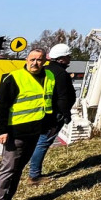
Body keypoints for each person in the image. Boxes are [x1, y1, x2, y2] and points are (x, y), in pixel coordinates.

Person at [0, 48, 55, 200]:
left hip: (34, 133)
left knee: (17, 170)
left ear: (44, 62)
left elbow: (46, 102)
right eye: (32, 59)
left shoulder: (48, 77)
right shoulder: (14, 78)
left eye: (39, 60)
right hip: (15, 133)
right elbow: (1, 105)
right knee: (7, 170)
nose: (35, 63)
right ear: (26, 59)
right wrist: (0, 130)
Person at [26, 43, 75, 185]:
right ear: (61, 59)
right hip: (53, 116)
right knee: (42, 143)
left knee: (38, 142)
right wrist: (65, 114)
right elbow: (62, 97)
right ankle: (34, 176)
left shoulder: (45, 70)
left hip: (42, 113)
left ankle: (33, 173)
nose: (69, 59)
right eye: (67, 56)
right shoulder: (60, 74)